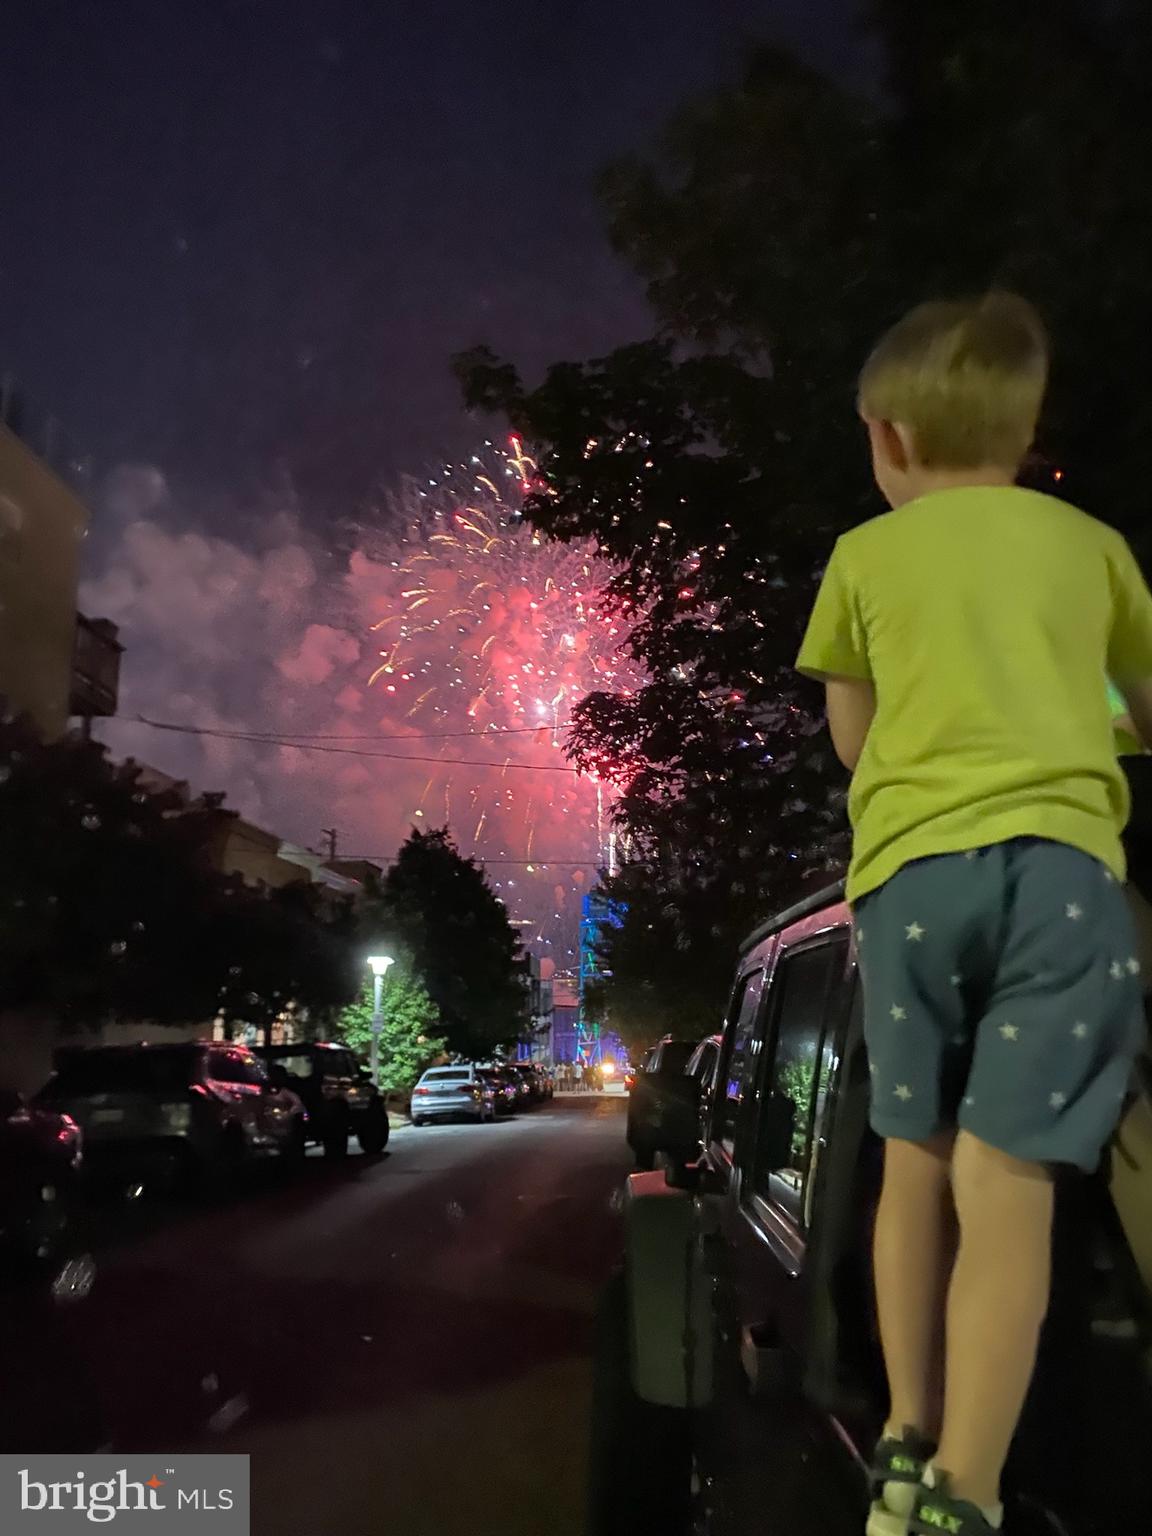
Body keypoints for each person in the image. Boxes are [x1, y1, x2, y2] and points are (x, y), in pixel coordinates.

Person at [796, 291, 1152, 1536]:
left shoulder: (862, 556)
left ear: (888, 439)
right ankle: (971, 1493)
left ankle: (902, 1435)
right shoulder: (1094, 546)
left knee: (918, 1165)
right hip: (1063, 880)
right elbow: (1143, 710)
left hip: (912, 882)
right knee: (1016, 1195)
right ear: (1024, 426)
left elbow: (854, 742)